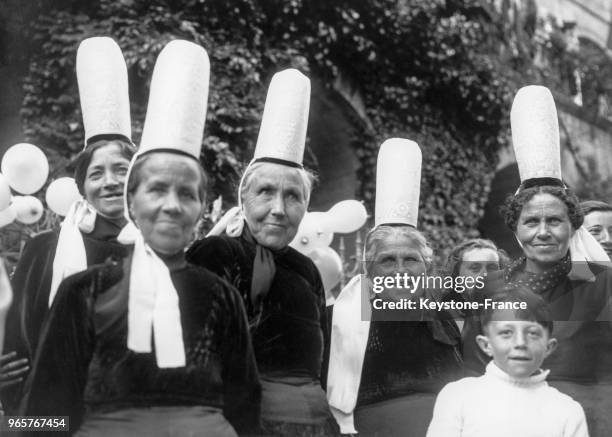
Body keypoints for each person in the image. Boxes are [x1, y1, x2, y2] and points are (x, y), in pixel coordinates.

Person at [18, 40, 260, 436]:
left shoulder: (220, 295)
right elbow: (43, 407)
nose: (170, 205)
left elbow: (245, 408)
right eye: (156, 189)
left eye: (186, 193)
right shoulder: (82, 290)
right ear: (135, 200)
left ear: (202, 207)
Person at [187, 69, 335, 436]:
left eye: (292, 196)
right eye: (266, 192)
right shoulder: (216, 252)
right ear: (244, 198)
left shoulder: (307, 270)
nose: (279, 208)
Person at [463, 85, 612, 436]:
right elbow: (473, 366)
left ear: (573, 225)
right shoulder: (491, 288)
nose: (543, 232)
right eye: (531, 221)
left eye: (555, 220)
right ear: (516, 227)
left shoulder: (602, 283)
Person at [2, 37, 135, 412]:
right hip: (55, 415)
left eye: (121, 170)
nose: (109, 181)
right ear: (83, 186)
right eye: (97, 173)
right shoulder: (45, 248)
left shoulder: (157, 248)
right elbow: (16, 332)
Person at [327, 139, 462, 437]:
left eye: (411, 260)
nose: (401, 271)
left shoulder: (446, 321)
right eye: (388, 260)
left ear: (426, 268)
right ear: (369, 270)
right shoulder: (339, 321)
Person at [427, 287, 588, 437]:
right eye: (506, 332)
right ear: (486, 344)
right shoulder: (458, 395)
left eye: (532, 333)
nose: (520, 343)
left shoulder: (567, 411)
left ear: (548, 347)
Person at [443, 238, 507, 331]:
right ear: (457, 275)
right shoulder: (444, 315)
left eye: (492, 268)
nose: (484, 275)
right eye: (475, 268)